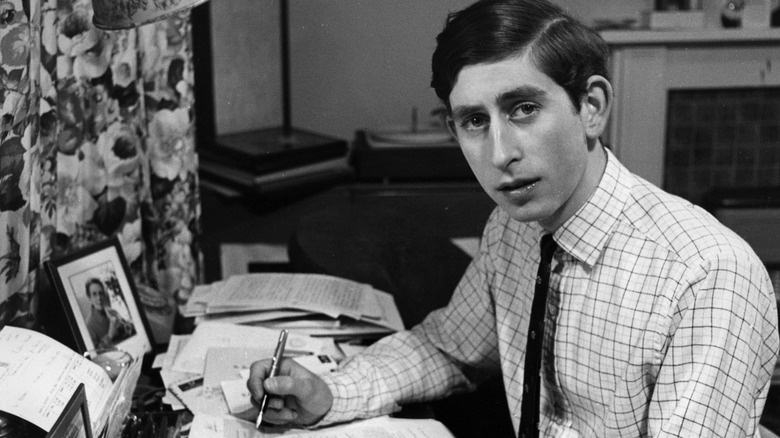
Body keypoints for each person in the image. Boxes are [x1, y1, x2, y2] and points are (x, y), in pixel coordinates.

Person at [247, 0, 780, 435]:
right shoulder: (512, 228)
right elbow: (448, 349)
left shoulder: (707, 276)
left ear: (591, 106)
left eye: (523, 108)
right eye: (475, 121)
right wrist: (330, 393)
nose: (500, 153)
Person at [84, 277, 135, 349]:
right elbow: (95, 353)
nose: (99, 297)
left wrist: (126, 327)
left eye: (101, 293)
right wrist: (110, 335)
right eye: (94, 294)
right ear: (89, 297)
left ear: (104, 294)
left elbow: (128, 330)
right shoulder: (88, 325)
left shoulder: (113, 312)